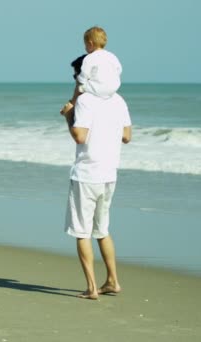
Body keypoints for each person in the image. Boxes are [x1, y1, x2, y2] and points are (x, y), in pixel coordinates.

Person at [60, 27, 132, 300]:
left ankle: (91, 288)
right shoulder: (119, 100)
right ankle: (112, 281)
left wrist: (69, 115)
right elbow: (126, 136)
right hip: (109, 174)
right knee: (102, 230)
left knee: (82, 231)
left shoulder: (87, 101)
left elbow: (80, 136)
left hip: (87, 173)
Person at [60, 26, 122, 116]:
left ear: (90, 43)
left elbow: (82, 77)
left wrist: (79, 84)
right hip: (112, 90)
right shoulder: (113, 57)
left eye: (85, 45)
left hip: (97, 90)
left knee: (80, 83)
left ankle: (71, 104)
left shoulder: (90, 58)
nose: (85, 48)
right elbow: (119, 70)